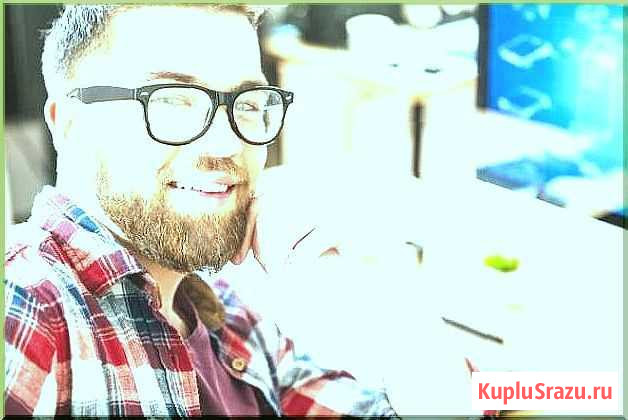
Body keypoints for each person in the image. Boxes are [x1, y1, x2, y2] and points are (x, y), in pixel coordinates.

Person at [4, 4, 397, 416]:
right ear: (70, 122)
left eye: (247, 104)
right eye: (173, 101)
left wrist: (349, 285)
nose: (226, 145)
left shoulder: (232, 321)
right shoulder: (27, 303)